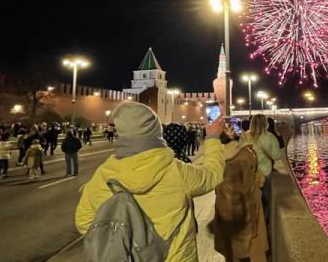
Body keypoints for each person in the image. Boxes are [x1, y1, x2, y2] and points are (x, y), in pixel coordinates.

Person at [75, 101, 225, 261]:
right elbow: (213, 175)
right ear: (157, 131)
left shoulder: (103, 176)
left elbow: (84, 221)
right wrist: (213, 138)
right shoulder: (176, 171)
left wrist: (128, 243)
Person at [213, 142, 268, 262]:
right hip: (248, 215)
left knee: (239, 252)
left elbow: (230, 196)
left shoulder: (229, 161)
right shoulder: (245, 153)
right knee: (252, 251)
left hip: (239, 224)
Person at [240, 114, 282, 224]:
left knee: (250, 201)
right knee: (265, 201)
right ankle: (263, 224)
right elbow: (276, 156)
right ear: (265, 123)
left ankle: (251, 223)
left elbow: (240, 153)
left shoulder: (245, 136)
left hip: (249, 174)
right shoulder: (270, 137)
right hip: (265, 174)